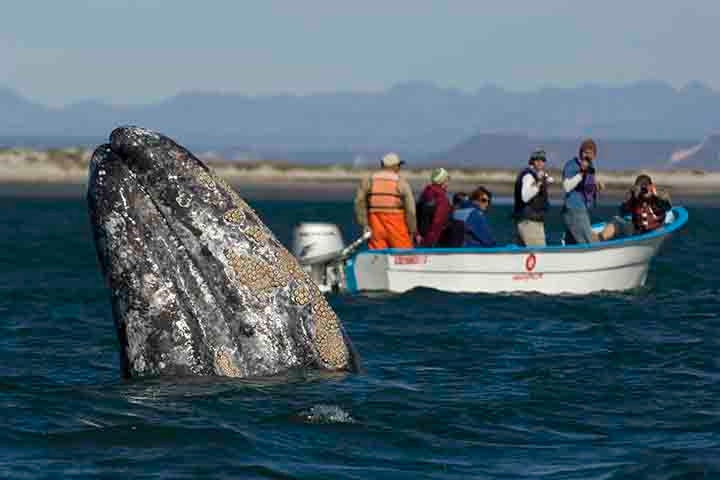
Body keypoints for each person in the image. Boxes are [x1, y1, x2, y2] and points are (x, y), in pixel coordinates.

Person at [354, 152, 416, 250]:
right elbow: (411, 210)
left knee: (378, 256)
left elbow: (359, 202)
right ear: (395, 166)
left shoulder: (369, 180)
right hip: (396, 226)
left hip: (375, 225)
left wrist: (364, 224)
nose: (400, 168)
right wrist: (412, 230)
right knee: (404, 255)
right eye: (399, 165)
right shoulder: (401, 182)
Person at [599, 174, 672, 240]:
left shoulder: (660, 194)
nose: (644, 191)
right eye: (641, 188)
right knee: (616, 220)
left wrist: (655, 197)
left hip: (656, 230)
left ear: (651, 186)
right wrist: (632, 198)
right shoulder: (635, 197)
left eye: (645, 187)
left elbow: (667, 207)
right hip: (637, 230)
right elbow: (622, 212)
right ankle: (599, 239)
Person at [561, 138, 604, 244]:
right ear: (580, 153)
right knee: (588, 242)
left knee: (572, 243)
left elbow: (586, 187)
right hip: (574, 209)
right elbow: (567, 187)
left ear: (594, 155)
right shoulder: (572, 165)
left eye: (590, 153)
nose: (587, 156)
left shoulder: (591, 166)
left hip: (583, 208)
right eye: (585, 152)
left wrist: (596, 187)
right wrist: (581, 172)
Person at [512, 149, 553, 246]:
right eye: (536, 159)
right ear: (532, 161)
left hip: (526, 221)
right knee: (540, 255)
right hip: (530, 223)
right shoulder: (528, 176)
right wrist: (538, 183)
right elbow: (525, 197)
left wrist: (545, 179)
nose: (540, 162)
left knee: (523, 256)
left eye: (542, 160)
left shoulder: (535, 174)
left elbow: (550, 179)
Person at [416, 167, 452, 247]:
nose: (448, 183)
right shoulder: (442, 199)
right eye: (447, 180)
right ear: (443, 181)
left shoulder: (424, 195)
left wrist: (418, 236)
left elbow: (416, 216)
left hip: (420, 239)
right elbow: (437, 223)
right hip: (432, 244)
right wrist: (427, 243)